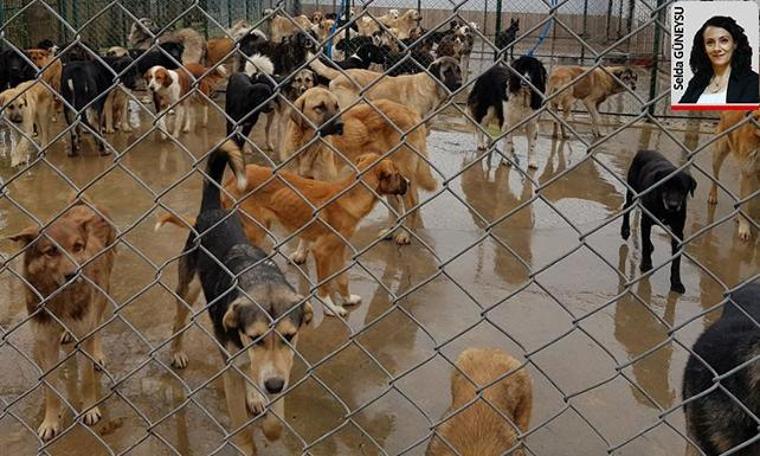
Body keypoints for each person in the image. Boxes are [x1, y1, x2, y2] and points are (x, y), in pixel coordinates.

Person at [679, 16, 759, 104]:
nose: (716, 48)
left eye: (724, 41)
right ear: (704, 48)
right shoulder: (697, 81)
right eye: (710, 42)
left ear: (735, 44)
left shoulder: (753, 82)